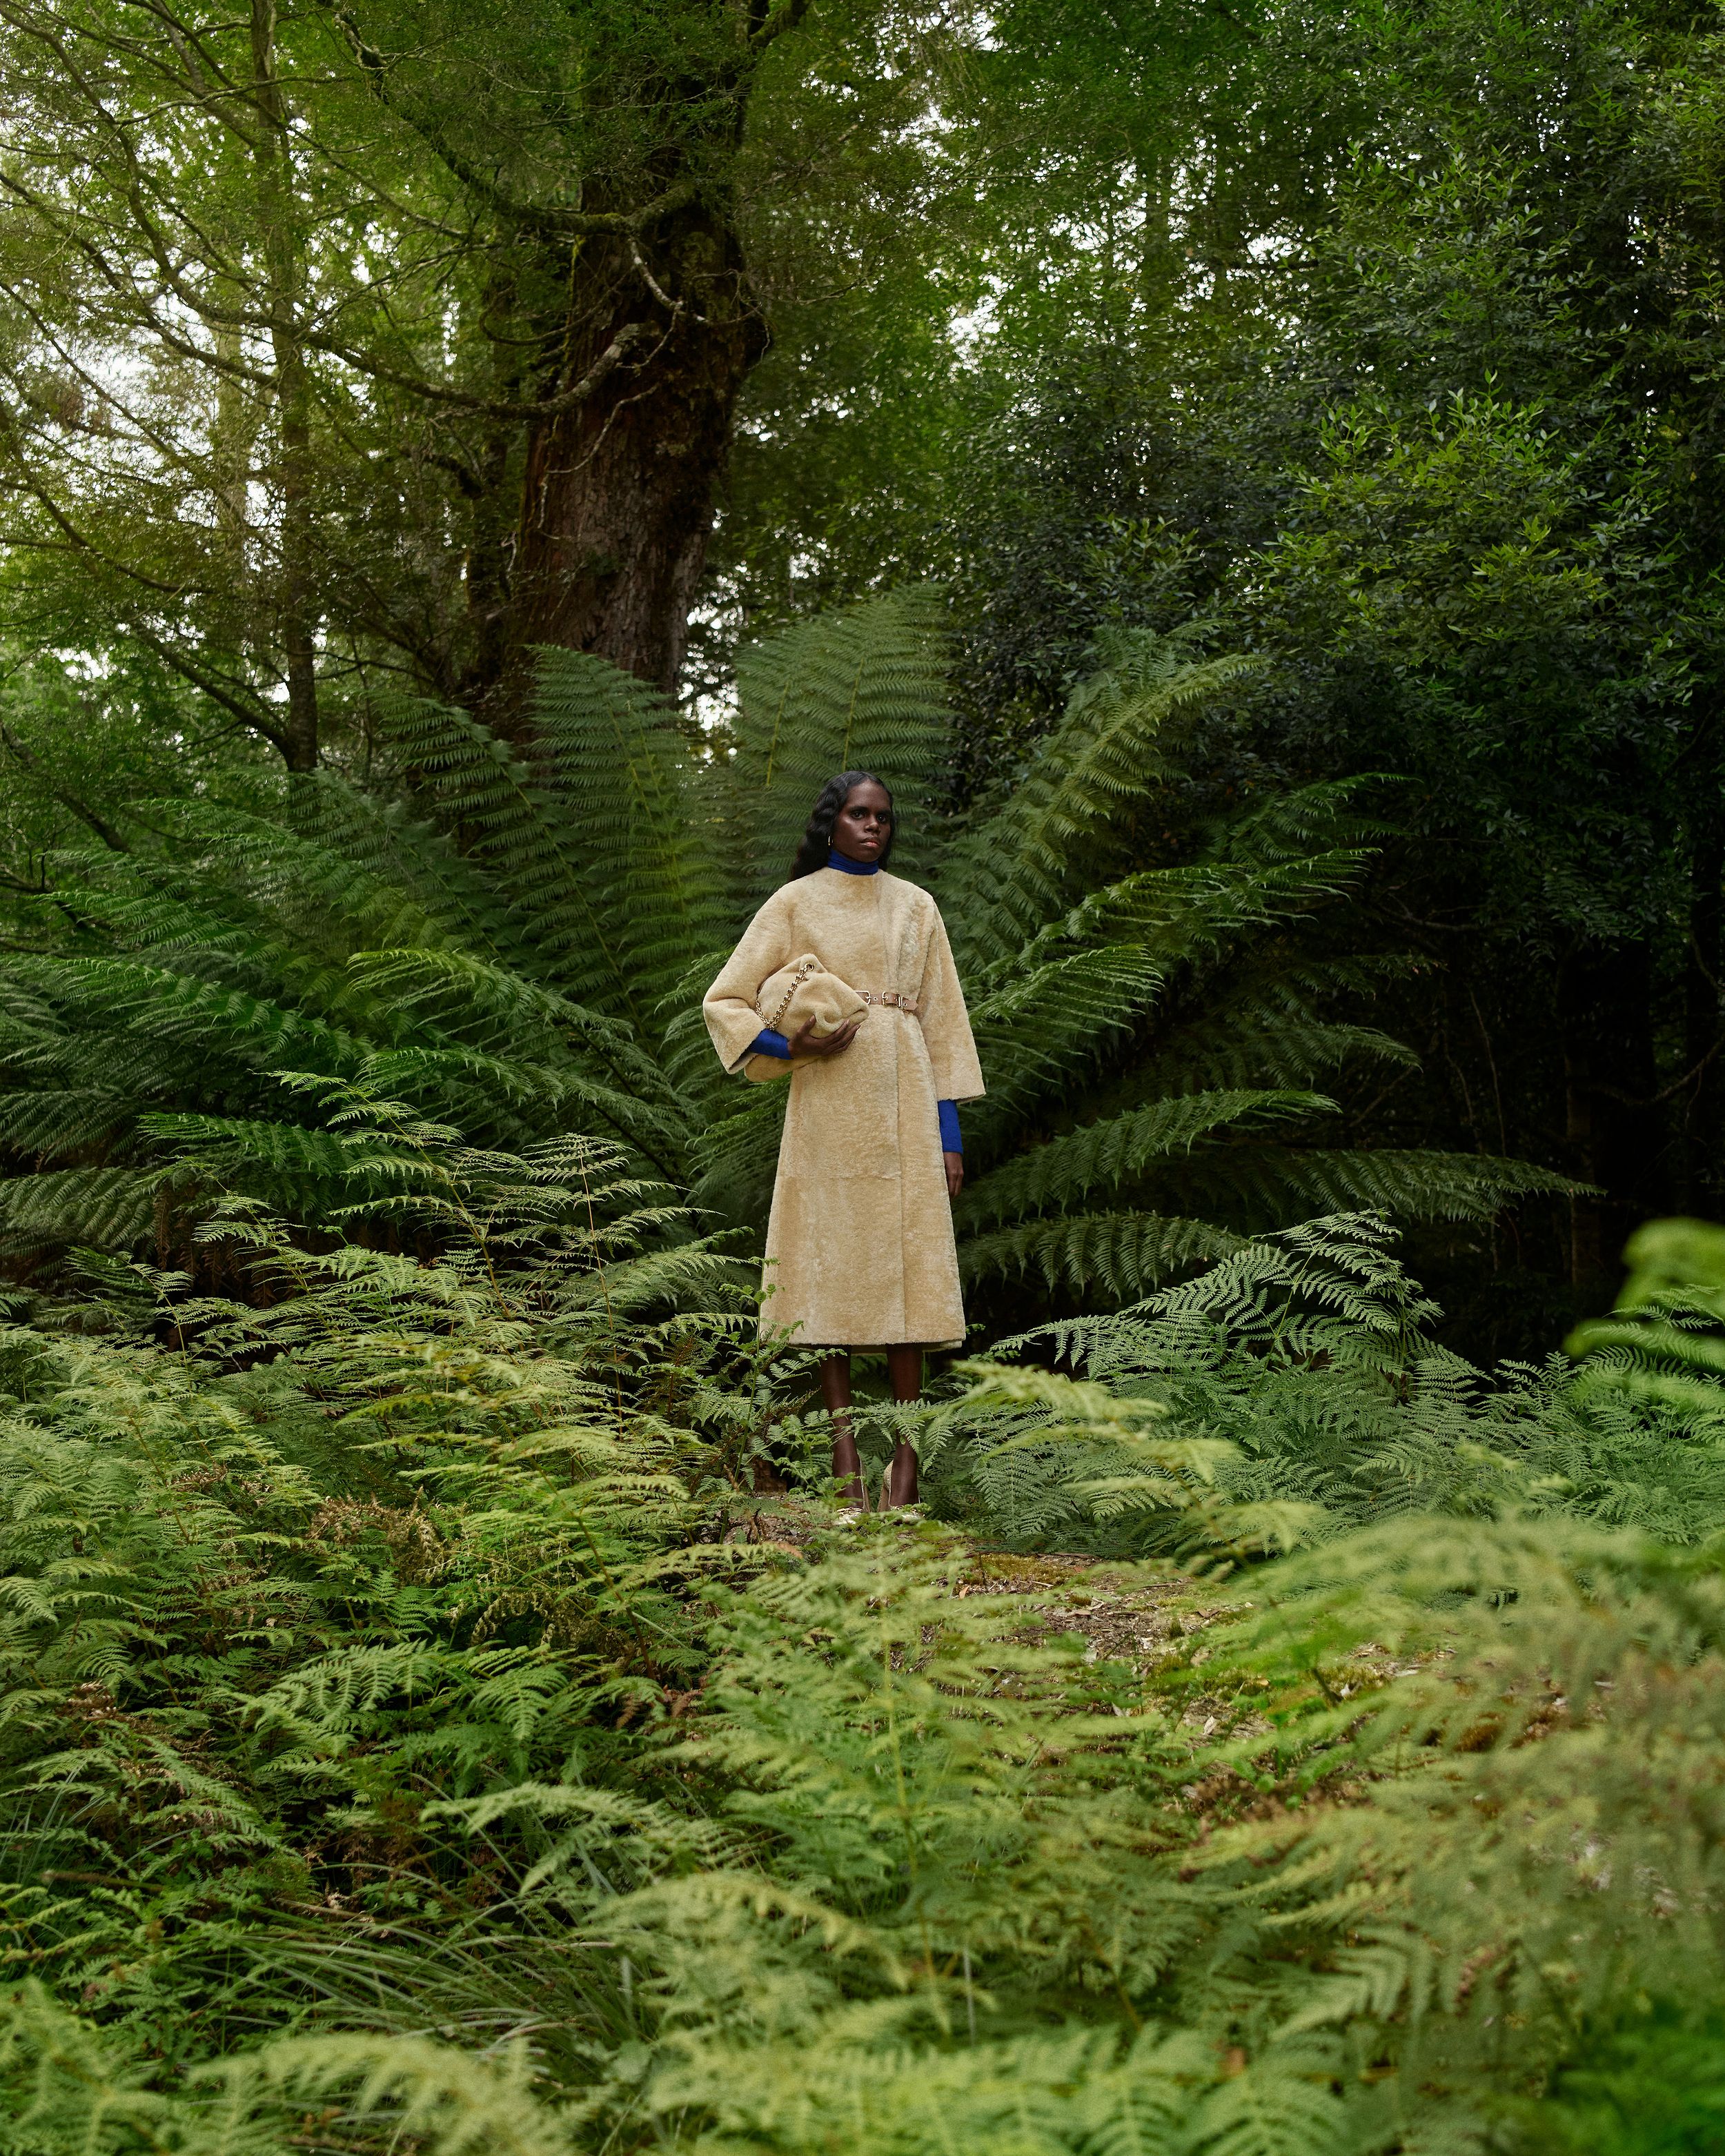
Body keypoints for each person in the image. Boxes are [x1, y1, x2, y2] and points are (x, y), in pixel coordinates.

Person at [702, 772, 985, 1508]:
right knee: (828, 1275)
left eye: (884, 817)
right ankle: (843, 1460)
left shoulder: (916, 905)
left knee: (907, 1276)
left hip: (905, 1099)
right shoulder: (794, 903)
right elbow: (725, 996)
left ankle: (907, 1461)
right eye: (859, 814)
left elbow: (945, 1020)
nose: (873, 827)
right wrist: (794, 1049)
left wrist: (948, 1131)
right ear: (832, 821)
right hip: (827, 1108)